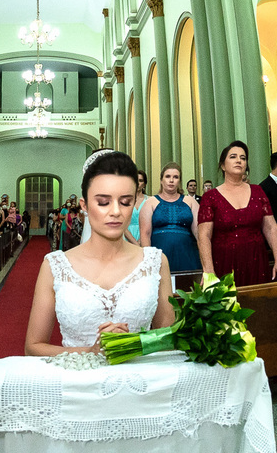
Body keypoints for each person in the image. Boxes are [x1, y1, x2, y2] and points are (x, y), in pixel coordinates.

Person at [25, 149, 174, 355]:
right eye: (103, 202)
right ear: (84, 205)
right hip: (78, 381)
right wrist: (90, 351)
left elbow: (167, 339)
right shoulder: (55, 265)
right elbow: (33, 347)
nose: (115, 211)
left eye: (125, 202)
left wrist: (131, 345)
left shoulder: (156, 261)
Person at [198, 141, 277, 286]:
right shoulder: (210, 197)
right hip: (224, 261)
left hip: (256, 259)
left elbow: (271, 227)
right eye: (233, 157)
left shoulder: (258, 191)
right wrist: (208, 270)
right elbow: (204, 235)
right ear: (223, 165)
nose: (239, 160)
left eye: (243, 158)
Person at [139, 162, 201, 272]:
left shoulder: (190, 202)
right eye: (167, 176)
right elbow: (145, 234)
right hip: (159, 255)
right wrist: (149, 262)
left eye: (175, 177)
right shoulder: (150, 202)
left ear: (180, 181)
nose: (171, 180)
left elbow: (198, 233)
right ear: (161, 180)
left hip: (188, 254)